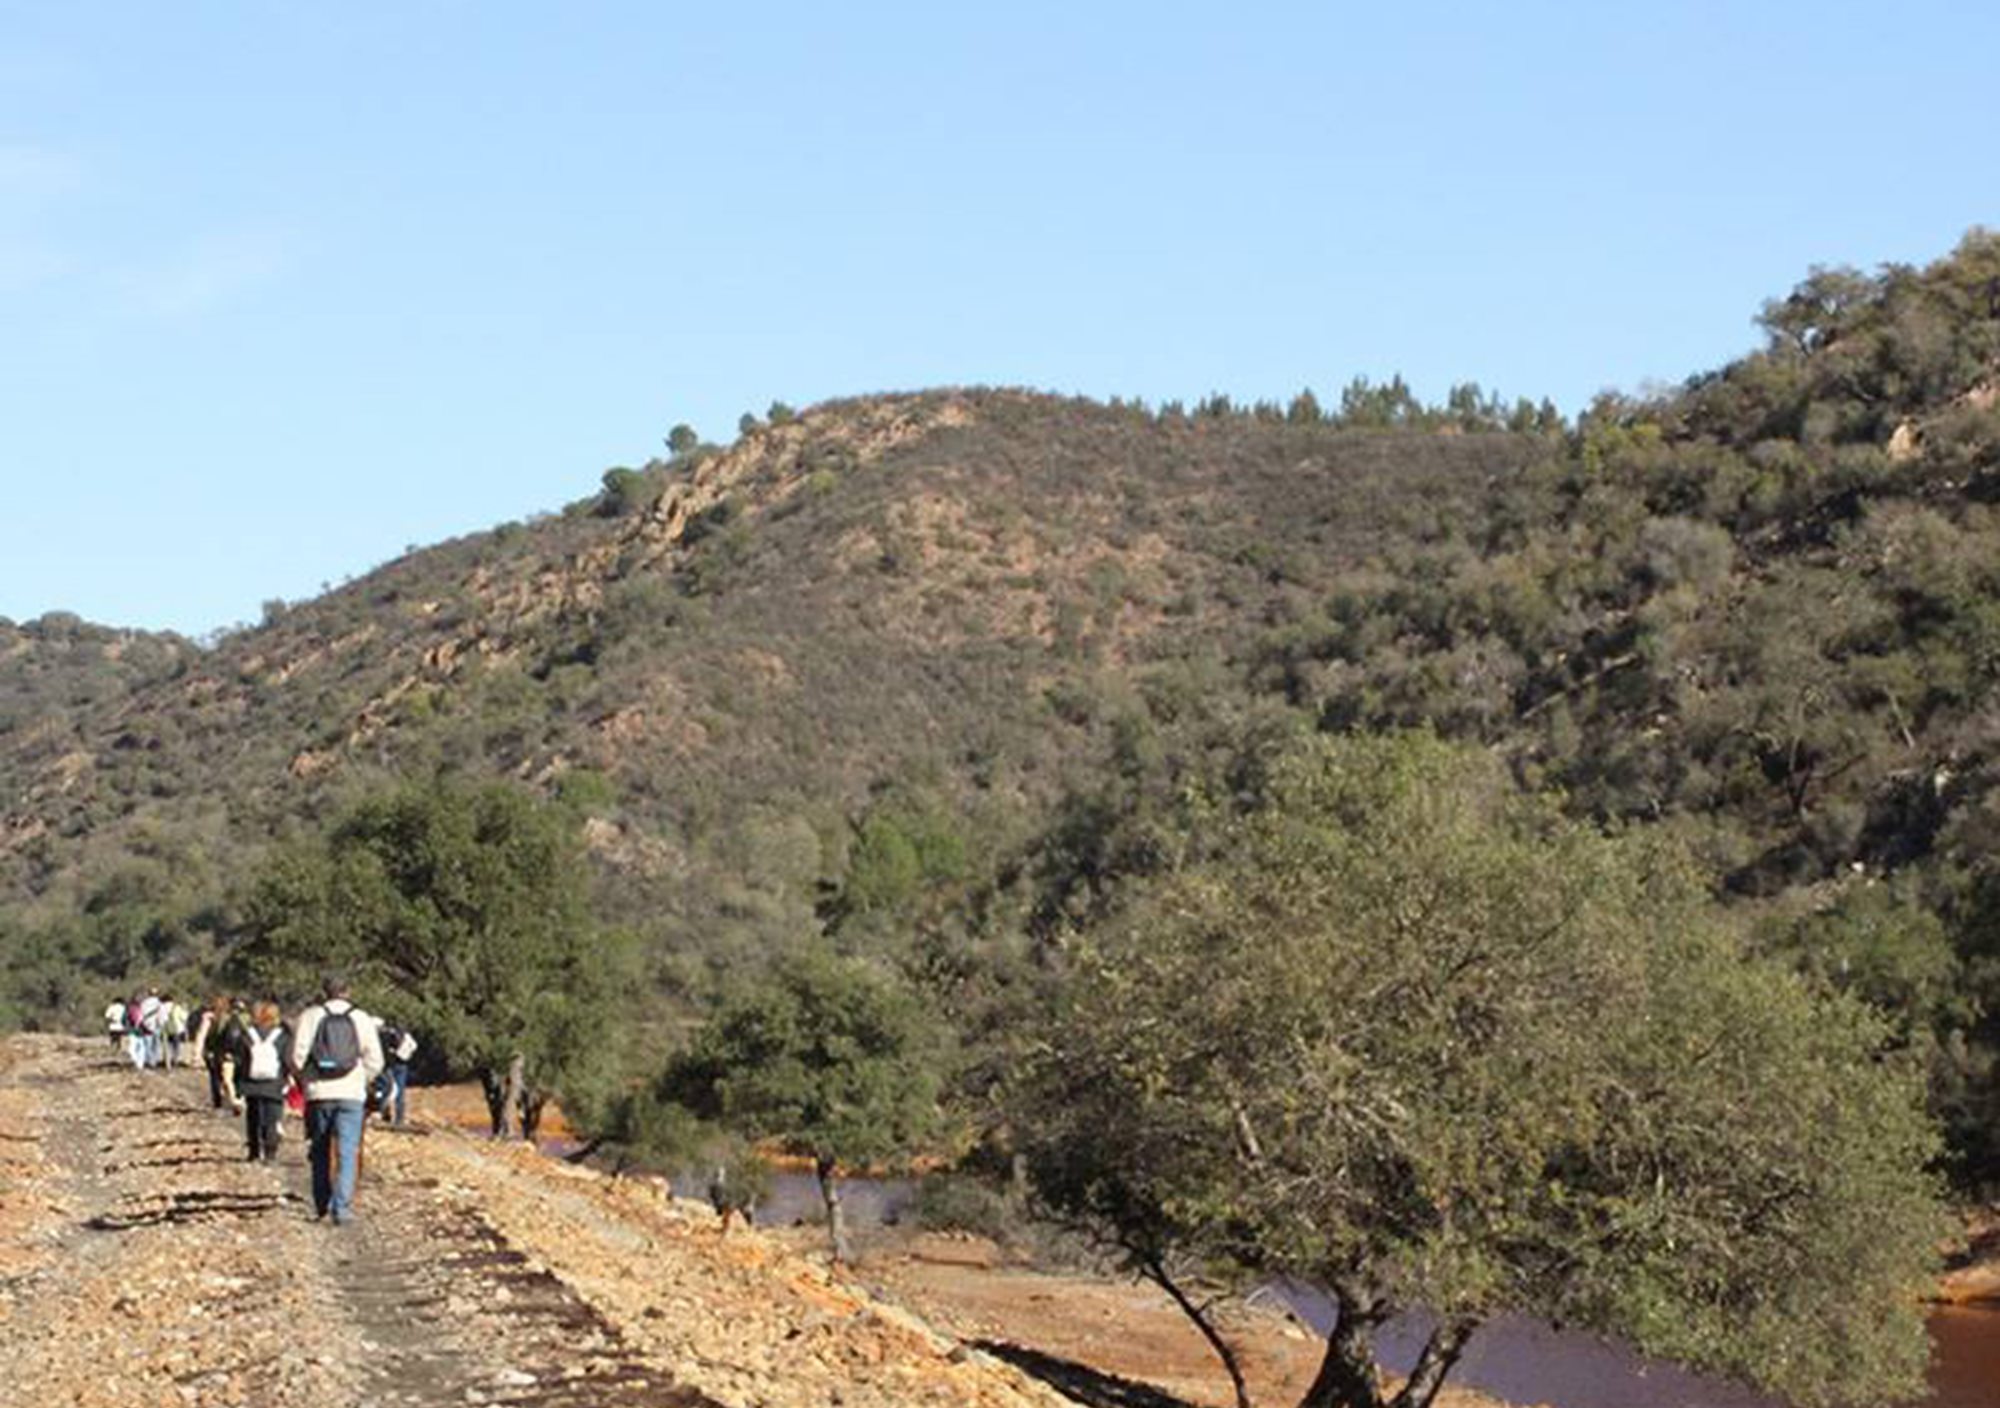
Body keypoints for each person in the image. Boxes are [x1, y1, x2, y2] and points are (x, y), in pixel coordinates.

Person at [289, 976, 384, 1226]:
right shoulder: (361, 1018)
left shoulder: (310, 1016)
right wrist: (362, 1079)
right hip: (351, 1094)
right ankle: (341, 1208)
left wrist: (307, 1079)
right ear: (348, 991)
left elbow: (297, 1057)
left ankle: (322, 1205)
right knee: (347, 1151)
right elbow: (376, 1060)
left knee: (319, 1149)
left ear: (324, 991)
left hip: (319, 1093)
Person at [231, 1000, 292, 1163]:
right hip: (274, 1084)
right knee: (272, 1119)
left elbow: (240, 1060)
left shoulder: (247, 1035)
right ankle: (270, 1151)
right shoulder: (282, 1036)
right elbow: (287, 1060)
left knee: (253, 1117)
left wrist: (238, 1085)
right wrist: (288, 1079)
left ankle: (254, 1151)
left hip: (251, 1083)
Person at [378, 1022, 418, 1127]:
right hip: (402, 1065)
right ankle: (399, 1119)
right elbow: (414, 1047)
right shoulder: (407, 1037)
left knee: (386, 1089)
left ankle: (384, 1113)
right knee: (400, 1093)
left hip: (390, 1065)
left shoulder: (386, 1035)